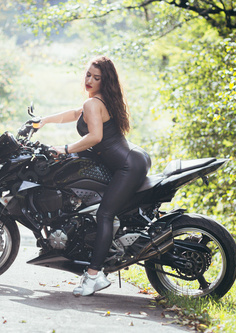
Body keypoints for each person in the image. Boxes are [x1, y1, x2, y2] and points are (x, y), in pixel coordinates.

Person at [38, 55, 151, 296]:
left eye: (96, 77)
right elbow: (73, 114)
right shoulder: (97, 101)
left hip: (127, 166)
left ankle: (94, 275)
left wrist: (65, 148)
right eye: (88, 74)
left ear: (104, 80)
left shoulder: (95, 103)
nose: (89, 80)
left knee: (105, 214)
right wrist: (44, 121)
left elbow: (95, 137)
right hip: (132, 158)